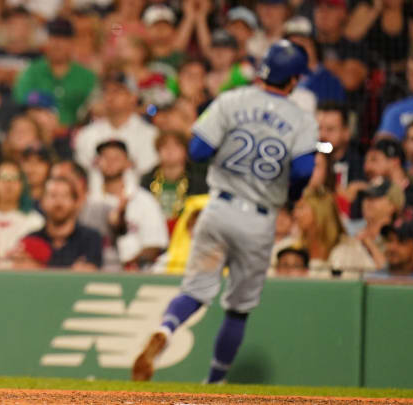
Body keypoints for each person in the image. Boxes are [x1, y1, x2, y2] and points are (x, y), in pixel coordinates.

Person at [132, 41, 318, 384]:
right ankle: (214, 383)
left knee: (195, 289)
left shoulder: (232, 99)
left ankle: (165, 329)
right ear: (293, 80)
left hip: (217, 208)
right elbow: (305, 170)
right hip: (259, 218)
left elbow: (199, 149)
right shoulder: (300, 118)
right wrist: (287, 194)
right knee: (238, 308)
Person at [89, 140, 168, 271]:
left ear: (128, 163)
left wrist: (128, 265)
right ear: (97, 163)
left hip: (137, 274)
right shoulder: (90, 200)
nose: (110, 162)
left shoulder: (144, 200)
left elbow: (155, 245)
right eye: (105, 157)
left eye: (116, 157)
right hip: (96, 272)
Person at [13, 17, 97, 127]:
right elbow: (21, 102)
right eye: (53, 37)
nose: (57, 43)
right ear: (46, 41)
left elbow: (94, 107)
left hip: (74, 133)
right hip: (39, 133)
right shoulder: (31, 71)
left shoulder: (86, 76)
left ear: (72, 43)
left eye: (63, 38)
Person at [74, 71, 158, 178]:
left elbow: (148, 176)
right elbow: (81, 177)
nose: (110, 97)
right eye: (106, 92)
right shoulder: (86, 134)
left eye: (117, 91)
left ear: (133, 97)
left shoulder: (150, 135)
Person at [16, 176, 102, 270]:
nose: (58, 202)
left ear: (75, 202)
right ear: (42, 202)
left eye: (65, 196)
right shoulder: (31, 240)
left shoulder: (91, 238)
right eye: (53, 195)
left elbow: (90, 273)